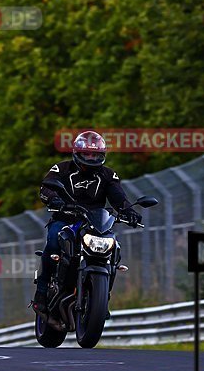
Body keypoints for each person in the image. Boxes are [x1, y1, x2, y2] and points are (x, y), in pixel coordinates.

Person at [31, 130, 141, 316]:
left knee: (115, 249)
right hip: (66, 219)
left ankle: (102, 299)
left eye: (95, 154)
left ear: (102, 155)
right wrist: (54, 200)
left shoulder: (108, 175)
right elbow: (46, 188)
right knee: (53, 241)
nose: (91, 158)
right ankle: (41, 293)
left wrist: (129, 211)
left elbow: (118, 197)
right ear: (77, 153)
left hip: (95, 224)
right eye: (87, 154)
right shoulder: (62, 169)